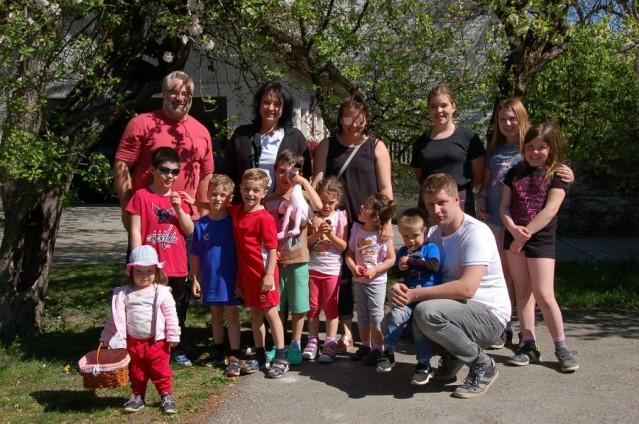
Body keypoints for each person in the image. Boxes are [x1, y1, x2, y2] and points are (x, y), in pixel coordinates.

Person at [114, 70, 214, 366]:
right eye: (174, 92)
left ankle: (174, 343)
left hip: (184, 223)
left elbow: (206, 174)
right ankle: (139, 343)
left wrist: (202, 214)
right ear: (163, 92)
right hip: (148, 222)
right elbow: (122, 165)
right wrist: (127, 206)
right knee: (143, 283)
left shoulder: (200, 131)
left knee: (179, 287)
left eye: (186, 94)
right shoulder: (142, 123)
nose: (180, 98)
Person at [389, 173, 511, 399]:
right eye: (430, 204)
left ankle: (483, 365)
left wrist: (415, 295)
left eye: (442, 202)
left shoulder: (476, 233)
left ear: (457, 200)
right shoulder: (433, 234)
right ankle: (455, 355)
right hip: (453, 310)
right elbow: (420, 276)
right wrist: (400, 289)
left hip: (489, 316)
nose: (436, 210)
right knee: (393, 321)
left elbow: (467, 289)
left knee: (426, 312)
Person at [477, 98, 575, 348]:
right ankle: (507, 327)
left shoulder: (532, 145)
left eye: (512, 118)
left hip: (530, 229)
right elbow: (488, 183)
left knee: (533, 287)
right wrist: (482, 198)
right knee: (504, 276)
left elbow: (554, 176)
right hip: (500, 221)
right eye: (502, 119)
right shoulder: (496, 151)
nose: (507, 123)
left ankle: (533, 337)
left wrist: (569, 174)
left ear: (522, 119)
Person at [312, 90, 393, 354]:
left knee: (367, 273)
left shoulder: (376, 146)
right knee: (342, 276)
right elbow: (317, 183)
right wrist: (316, 215)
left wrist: (386, 221)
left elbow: (386, 188)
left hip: (367, 221)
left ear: (366, 120)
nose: (354, 124)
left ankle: (370, 332)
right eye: (348, 119)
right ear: (340, 119)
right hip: (336, 220)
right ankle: (347, 332)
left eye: (359, 119)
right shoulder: (327, 145)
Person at [499, 123, 579, 373]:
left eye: (541, 147)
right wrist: (512, 228)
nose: (535, 152)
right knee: (523, 292)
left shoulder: (558, 175)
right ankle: (529, 344)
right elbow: (504, 206)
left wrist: (525, 235)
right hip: (514, 238)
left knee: (544, 294)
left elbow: (550, 210)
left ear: (551, 148)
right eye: (530, 147)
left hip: (540, 240)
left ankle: (561, 347)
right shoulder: (514, 173)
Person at [126, 147, 194, 366]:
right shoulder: (141, 196)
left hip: (176, 264)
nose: (169, 176)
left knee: (176, 309)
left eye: (175, 171)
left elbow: (189, 230)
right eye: (164, 170)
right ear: (152, 169)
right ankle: (150, 348)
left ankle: (176, 348)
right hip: (151, 266)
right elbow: (135, 230)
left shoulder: (179, 198)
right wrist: (138, 262)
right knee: (149, 307)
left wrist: (179, 209)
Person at [100, 245, 180, 414]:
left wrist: (173, 335)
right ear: (131, 271)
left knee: (161, 370)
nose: (144, 276)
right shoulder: (124, 294)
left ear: (156, 271)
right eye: (139, 271)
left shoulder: (161, 293)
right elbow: (115, 319)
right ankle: (138, 396)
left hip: (157, 342)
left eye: (149, 271)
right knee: (137, 371)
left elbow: (171, 316)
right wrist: (106, 337)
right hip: (134, 342)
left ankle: (166, 396)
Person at [227, 168, 289, 379]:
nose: (250, 194)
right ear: (240, 189)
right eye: (247, 189)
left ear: (264, 193)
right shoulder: (237, 212)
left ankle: (281, 357)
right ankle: (260, 355)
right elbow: (217, 207)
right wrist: (194, 202)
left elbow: (272, 249)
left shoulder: (264, 218)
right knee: (255, 315)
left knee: (271, 314)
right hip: (248, 277)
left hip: (264, 275)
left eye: (255, 190)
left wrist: (269, 275)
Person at [377, 208, 442, 386]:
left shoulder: (430, 248)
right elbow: (395, 273)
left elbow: (433, 266)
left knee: (419, 328)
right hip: (408, 296)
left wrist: (412, 262)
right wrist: (400, 268)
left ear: (424, 232)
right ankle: (388, 351)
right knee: (396, 315)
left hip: (427, 298)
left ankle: (424, 364)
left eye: (415, 235)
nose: (410, 240)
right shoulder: (403, 251)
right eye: (405, 236)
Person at [223, 80, 312, 201]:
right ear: (258, 104)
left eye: (277, 104)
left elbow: (305, 176)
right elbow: (227, 174)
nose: (271, 108)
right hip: (246, 207)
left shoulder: (296, 138)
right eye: (266, 102)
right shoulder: (241, 136)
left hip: (283, 207)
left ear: (284, 108)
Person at [190, 174, 242, 377]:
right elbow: (195, 253)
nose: (217, 198)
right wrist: (195, 278)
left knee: (232, 315)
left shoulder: (234, 221)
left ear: (230, 198)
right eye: (213, 194)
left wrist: (241, 280)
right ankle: (218, 350)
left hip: (230, 278)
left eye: (222, 195)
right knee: (215, 315)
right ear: (208, 194)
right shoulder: (200, 224)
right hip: (210, 279)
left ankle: (235, 354)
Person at [410, 84, 484, 216]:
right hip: (429, 201)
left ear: (453, 107)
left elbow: (478, 175)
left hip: (459, 199)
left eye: (444, 105)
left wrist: (452, 192)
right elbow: (419, 174)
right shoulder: (421, 142)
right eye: (433, 106)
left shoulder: (469, 138)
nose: (439, 110)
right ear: (428, 110)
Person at [345, 193, 396, 365]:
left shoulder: (383, 235)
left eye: (366, 207)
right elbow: (349, 254)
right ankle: (365, 345)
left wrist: (376, 270)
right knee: (362, 314)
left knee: (376, 316)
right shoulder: (356, 229)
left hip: (376, 283)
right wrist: (353, 268)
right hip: (360, 281)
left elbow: (391, 259)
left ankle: (378, 348)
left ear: (375, 216)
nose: (361, 207)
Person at [303, 176, 348, 363]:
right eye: (322, 201)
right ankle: (313, 340)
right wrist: (317, 234)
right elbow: (306, 244)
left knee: (330, 307)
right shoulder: (312, 217)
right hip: (313, 268)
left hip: (332, 270)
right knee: (313, 307)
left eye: (331, 202)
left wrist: (330, 235)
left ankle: (330, 342)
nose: (326, 206)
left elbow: (343, 246)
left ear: (338, 200)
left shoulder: (341, 217)